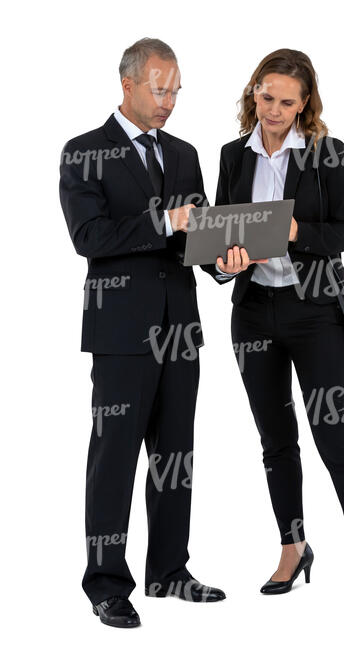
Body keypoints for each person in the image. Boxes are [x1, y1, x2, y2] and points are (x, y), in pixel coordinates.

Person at [206, 48, 344, 606]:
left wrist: (294, 230)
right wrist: (224, 261)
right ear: (254, 92)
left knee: (333, 436)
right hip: (253, 312)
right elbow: (222, 233)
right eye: (267, 97)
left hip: (315, 312)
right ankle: (293, 548)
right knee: (276, 441)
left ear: (304, 104)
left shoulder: (327, 153)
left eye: (288, 101)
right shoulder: (232, 155)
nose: (275, 109)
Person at [59, 37, 226, 628]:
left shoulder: (183, 154)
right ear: (127, 83)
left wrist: (221, 262)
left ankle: (169, 570)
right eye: (160, 89)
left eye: (176, 90)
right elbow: (90, 238)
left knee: (174, 455)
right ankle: (106, 583)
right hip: (123, 332)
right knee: (114, 457)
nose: (169, 101)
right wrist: (162, 220)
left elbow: (197, 235)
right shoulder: (84, 152)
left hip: (181, 327)